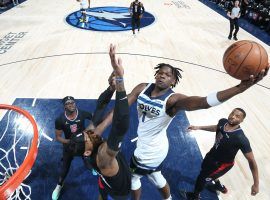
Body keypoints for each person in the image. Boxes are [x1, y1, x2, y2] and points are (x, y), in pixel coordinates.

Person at [94, 46, 268, 200]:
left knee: (133, 178)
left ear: (173, 81)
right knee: (155, 175)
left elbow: (202, 102)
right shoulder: (142, 88)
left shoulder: (173, 100)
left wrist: (240, 88)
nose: (163, 75)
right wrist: (101, 127)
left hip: (151, 150)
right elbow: (121, 106)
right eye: (160, 72)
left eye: (168, 74)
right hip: (153, 144)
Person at [52, 75, 115, 200]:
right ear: (64, 106)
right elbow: (58, 137)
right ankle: (59, 185)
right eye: (68, 103)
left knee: (89, 160)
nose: (71, 104)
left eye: (72, 102)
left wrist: (106, 119)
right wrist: (69, 142)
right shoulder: (60, 119)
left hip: (84, 143)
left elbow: (97, 113)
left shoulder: (82, 113)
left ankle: (92, 168)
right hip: (70, 146)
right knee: (65, 168)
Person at [83, 44, 131, 200]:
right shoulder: (104, 157)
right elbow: (121, 124)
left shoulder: (92, 145)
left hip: (104, 182)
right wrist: (120, 81)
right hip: (120, 192)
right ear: (87, 152)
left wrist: (111, 89)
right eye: (87, 138)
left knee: (101, 192)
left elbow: (100, 107)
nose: (90, 133)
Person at [182, 108, 259, 200]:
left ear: (241, 121)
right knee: (205, 171)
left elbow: (251, 161)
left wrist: (256, 184)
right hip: (211, 155)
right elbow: (217, 127)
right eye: (232, 113)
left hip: (222, 165)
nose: (233, 116)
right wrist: (198, 127)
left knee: (202, 178)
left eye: (237, 116)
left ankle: (195, 197)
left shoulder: (241, 138)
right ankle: (219, 187)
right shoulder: (223, 122)